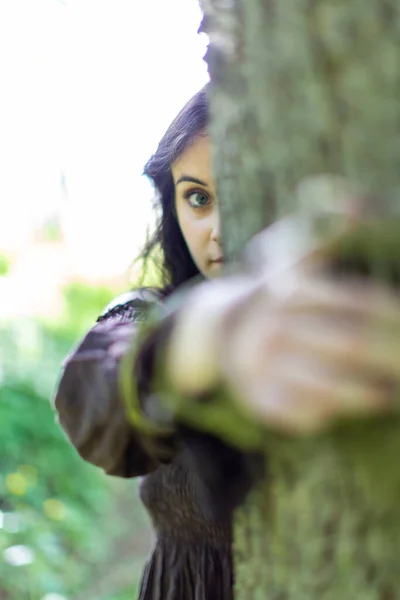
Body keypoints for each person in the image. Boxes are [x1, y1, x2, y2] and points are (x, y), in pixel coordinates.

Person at [53, 84, 400, 600]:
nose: (217, 229)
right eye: (197, 198)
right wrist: (203, 341)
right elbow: (89, 397)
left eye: (235, 196)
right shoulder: (149, 312)